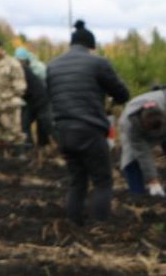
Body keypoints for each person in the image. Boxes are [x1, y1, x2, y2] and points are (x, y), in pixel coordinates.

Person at [47, 19, 130, 225]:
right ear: (91, 46)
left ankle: (73, 223)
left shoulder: (53, 65)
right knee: (102, 180)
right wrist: (111, 100)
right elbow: (122, 93)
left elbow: (51, 95)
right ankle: (99, 225)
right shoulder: (98, 63)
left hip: (63, 130)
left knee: (77, 181)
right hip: (89, 129)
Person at [117, 89, 166, 196]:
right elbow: (143, 154)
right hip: (134, 129)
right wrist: (153, 180)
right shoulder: (130, 126)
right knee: (131, 160)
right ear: (144, 124)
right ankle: (138, 195)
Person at [16, 47, 52, 150]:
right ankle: (28, 147)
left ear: (27, 60)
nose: (20, 63)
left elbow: (47, 83)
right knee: (24, 123)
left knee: (43, 124)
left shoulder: (39, 68)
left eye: (22, 61)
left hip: (42, 100)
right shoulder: (16, 69)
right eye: (18, 61)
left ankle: (44, 146)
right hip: (27, 102)